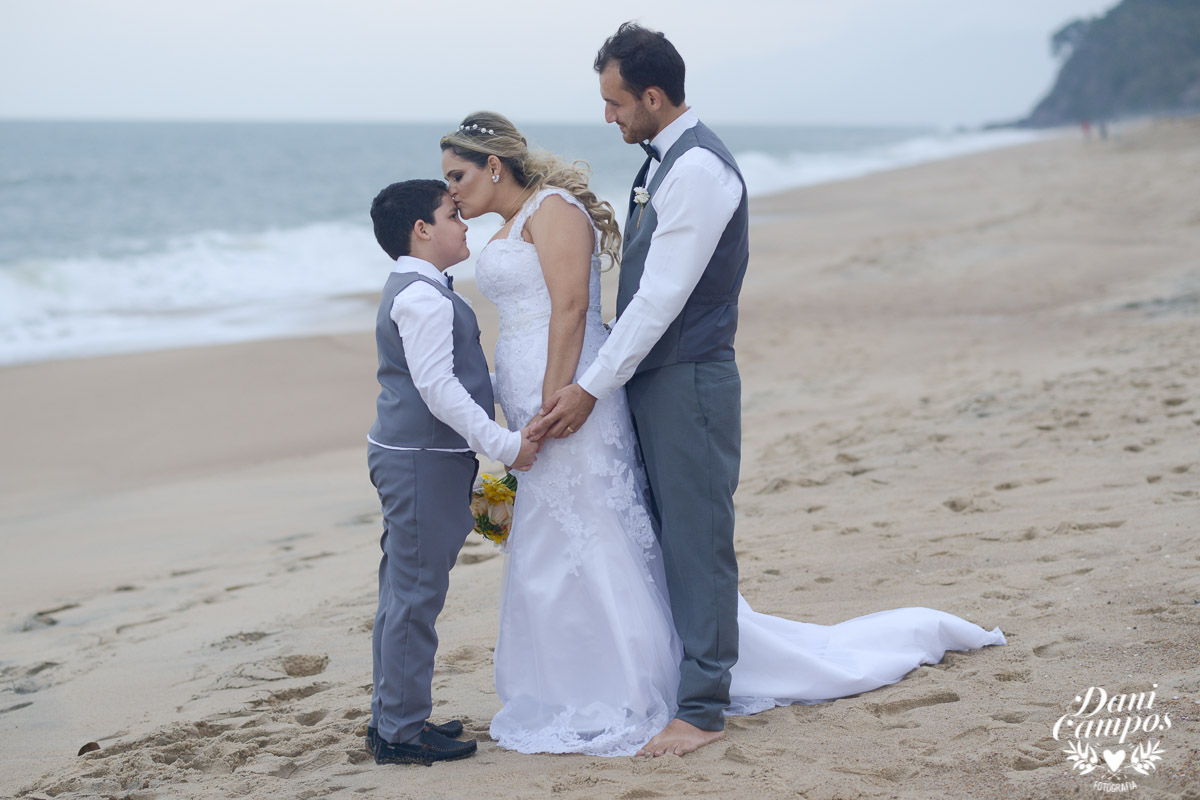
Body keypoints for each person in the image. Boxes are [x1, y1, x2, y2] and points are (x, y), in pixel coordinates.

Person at [443, 106, 1004, 759]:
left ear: (494, 163)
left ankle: (631, 685)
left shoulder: (554, 208)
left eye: (458, 174)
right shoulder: (508, 225)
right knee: (542, 539)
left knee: (593, 533)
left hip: (567, 402)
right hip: (529, 405)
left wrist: (551, 403)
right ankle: (564, 686)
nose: (452, 189)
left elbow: (571, 308)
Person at [364, 179, 539, 765]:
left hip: (419, 458)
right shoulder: (421, 298)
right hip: (421, 461)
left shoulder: (422, 289)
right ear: (422, 229)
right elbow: (438, 389)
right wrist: (503, 445)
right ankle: (399, 734)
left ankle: (398, 716)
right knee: (414, 597)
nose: (464, 225)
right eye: (451, 215)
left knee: (402, 593)